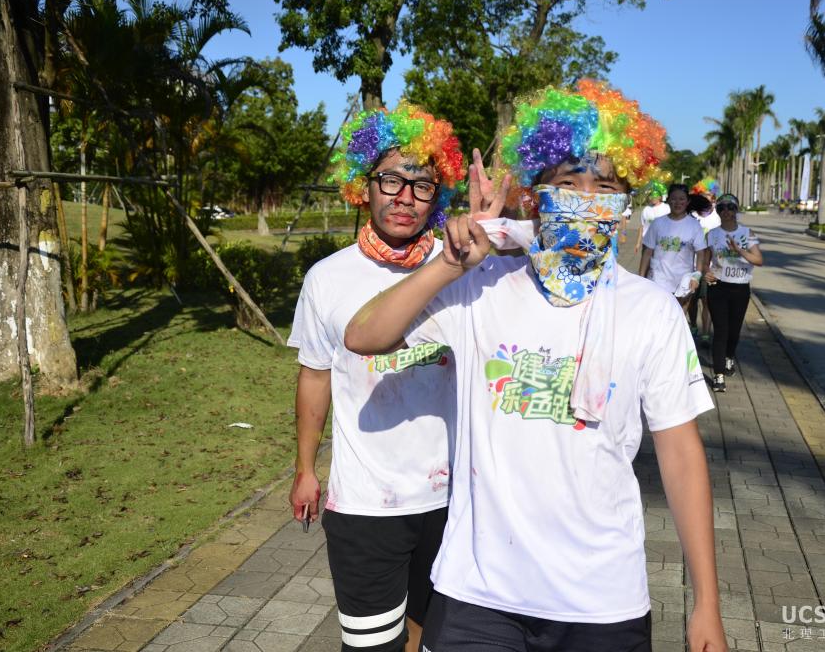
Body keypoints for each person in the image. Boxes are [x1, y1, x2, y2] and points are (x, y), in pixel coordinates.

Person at [346, 80, 727, 652]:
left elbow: (680, 456)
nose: (585, 198)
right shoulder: (480, 287)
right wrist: (451, 263)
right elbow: (363, 336)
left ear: (626, 206)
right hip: (477, 596)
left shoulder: (652, 311)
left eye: (605, 186)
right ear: (534, 196)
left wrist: (707, 605)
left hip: (602, 602)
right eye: (567, 183)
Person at [287, 103, 466, 652]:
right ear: (363, 186)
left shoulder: (460, 269)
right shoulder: (327, 278)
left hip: (452, 500)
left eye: (422, 184)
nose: (405, 197)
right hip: (365, 505)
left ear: (437, 196)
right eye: (391, 179)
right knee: (370, 646)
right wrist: (305, 469)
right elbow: (314, 375)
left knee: (430, 638)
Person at [703, 193, 763, 393]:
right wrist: (705, 273)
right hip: (718, 286)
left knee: (734, 331)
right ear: (717, 211)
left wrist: (740, 251)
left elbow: (758, 260)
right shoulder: (711, 234)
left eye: (730, 207)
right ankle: (719, 374)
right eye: (721, 208)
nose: (726, 211)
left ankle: (729, 357)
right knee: (721, 330)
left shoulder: (747, 232)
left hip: (740, 287)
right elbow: (705, 262)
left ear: (736, 209)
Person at [639, 183, 708, 312]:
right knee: (658, 316)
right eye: (674, 199)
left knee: (678, 318)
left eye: (681, 199)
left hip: (683, 281)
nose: (677, 203)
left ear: (687, 202)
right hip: (658, 279)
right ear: (668, 201)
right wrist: (641, 277)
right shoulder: (658, 223)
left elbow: (700, 253)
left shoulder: (694, 225)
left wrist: (697, 276)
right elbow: (647, 252)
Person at [688, 193, 719, 343]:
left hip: (710, 268)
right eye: (704, 197)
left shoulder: (718, 217)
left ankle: (706, 333)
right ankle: (694, 325)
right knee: (692, 300)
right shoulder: (692, 215)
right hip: (691, 266)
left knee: (708, 301)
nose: (707, 200)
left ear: (713, 200)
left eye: (709, 197)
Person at [633, 180, 670, 255]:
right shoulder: (646, 209)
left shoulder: (667, 208)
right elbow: (642, 227)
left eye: (655, 196)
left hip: (662, 243)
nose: (653, 198)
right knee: (646, 261)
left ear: (660, 197)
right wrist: (638, 243)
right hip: (647, 242)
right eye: (651, 196)